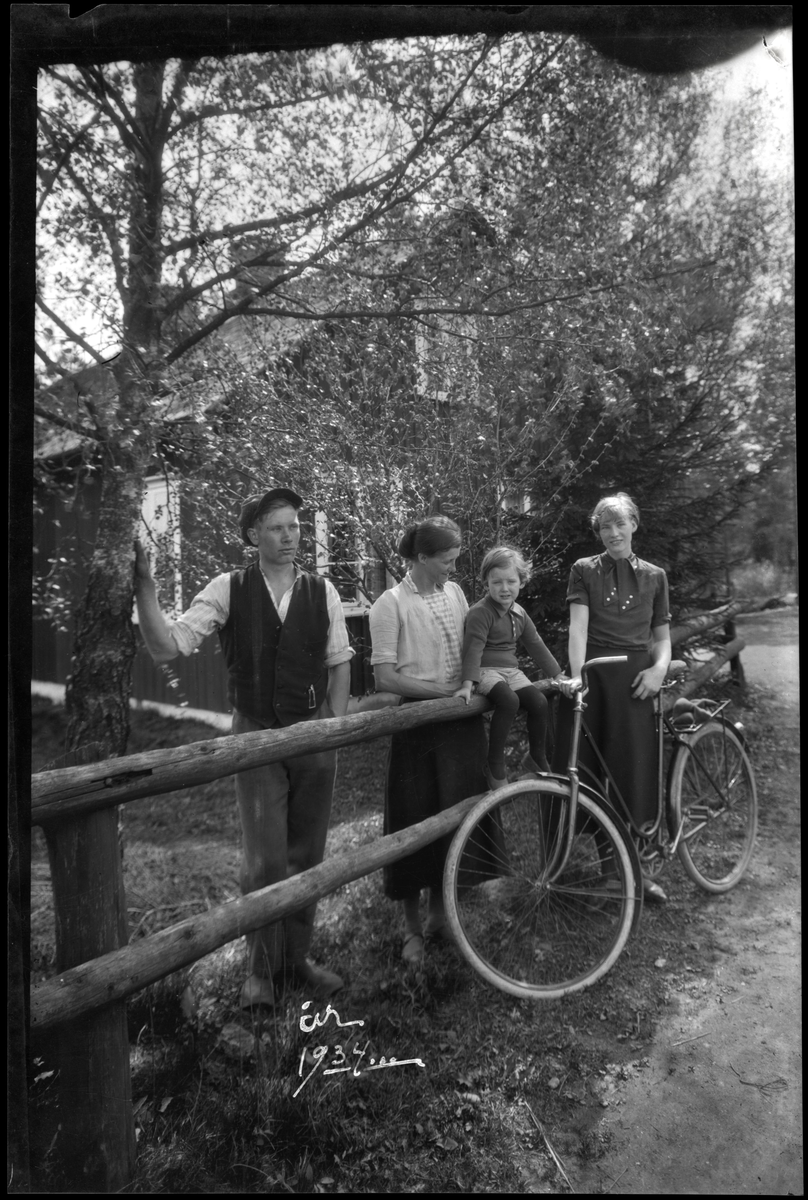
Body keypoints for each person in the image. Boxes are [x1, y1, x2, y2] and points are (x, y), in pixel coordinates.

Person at [133, 486, 353, 1005]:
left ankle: (296, 960)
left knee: (308, 854)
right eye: (277, 527)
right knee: (265, 859)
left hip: (312, 733)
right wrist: (145, 586)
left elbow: (339, 662)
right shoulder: (228, 588)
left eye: (295, 526)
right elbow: (167, 646)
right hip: (254, 734)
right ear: (254, 535)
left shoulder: (322, 591)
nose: (290, 536)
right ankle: (261, 972)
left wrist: (332, 727)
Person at [368, 516, 489, 966]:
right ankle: (411, 928)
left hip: (460, 722)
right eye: (446, 561)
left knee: (453, 814)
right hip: (419, 726)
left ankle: (440, 916)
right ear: (421, 557)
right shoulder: (390, 604)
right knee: (413, 819)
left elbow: (471, 649)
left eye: (455, 560)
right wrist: (441, 694)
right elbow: (386, 677)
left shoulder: (454, 593)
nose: (452, 569)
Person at [552, 491, 672, 902]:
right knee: (586, 772)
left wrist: (658, 670)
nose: (614, 532)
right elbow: (578, 628)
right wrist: (577, 676)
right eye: (605, 526)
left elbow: (662, 638)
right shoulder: (584, 570)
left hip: (636, 684)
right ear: (598, 531)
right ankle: (606, 872)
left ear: (634, 524)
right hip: (593, 680)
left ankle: (634, 871)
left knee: (631, 774)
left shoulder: (655, 576)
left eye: (621, 523)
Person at [455, 546, 566, 788]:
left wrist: (557, 674)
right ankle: (494, 763)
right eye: (497, 582)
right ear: (486, 582)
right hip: (485, 670)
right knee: (508, 701)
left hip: (511, 672)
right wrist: (467, 684)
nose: (504, 588)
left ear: (521, 582)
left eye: (511, 582)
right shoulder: (481, 612)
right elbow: (473, 649)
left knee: (539, 702)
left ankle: (535, 757)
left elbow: (535, 644)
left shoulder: (519, 613)